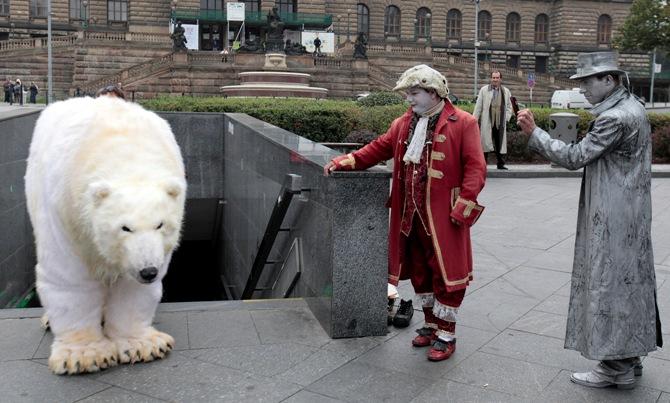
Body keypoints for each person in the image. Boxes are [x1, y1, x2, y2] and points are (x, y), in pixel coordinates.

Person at [516, 51, 663, 390]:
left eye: (587, 82)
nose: (583, 89)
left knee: (608, 284)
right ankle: (629, 356)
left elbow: (574, 157)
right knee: (628, 283)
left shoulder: (614, 118)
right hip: (631, 211)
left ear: (609, 80)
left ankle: (614, 367)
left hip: (612, 214)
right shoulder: (634, 108)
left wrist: (534, 132)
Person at [325, 64, 486, 361]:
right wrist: (345, 161)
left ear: (433, 92)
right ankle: (430, 325)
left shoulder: (463, 122)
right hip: (409, 216)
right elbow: (378, 148)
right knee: (420, 273)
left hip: (444, 218)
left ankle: (446, 334)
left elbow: (476, 168)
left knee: (446, 275)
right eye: (408, 94)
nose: (409, 99)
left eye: (414, 93)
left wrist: (464, 205)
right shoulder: (403, 123)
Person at [473, 71, 513, 170]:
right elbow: (478, 107)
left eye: (497, 78)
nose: (495, 79)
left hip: (500, 122)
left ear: (500, 79)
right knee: (485, 144)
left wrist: (506, 119)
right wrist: (473, 120)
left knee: (499, 143)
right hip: (488, 121)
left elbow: (509, 107)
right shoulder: (484, 90)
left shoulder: (506, 91)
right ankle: (483, 164)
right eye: (493, 77)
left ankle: (501, 164)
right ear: (491, 78)